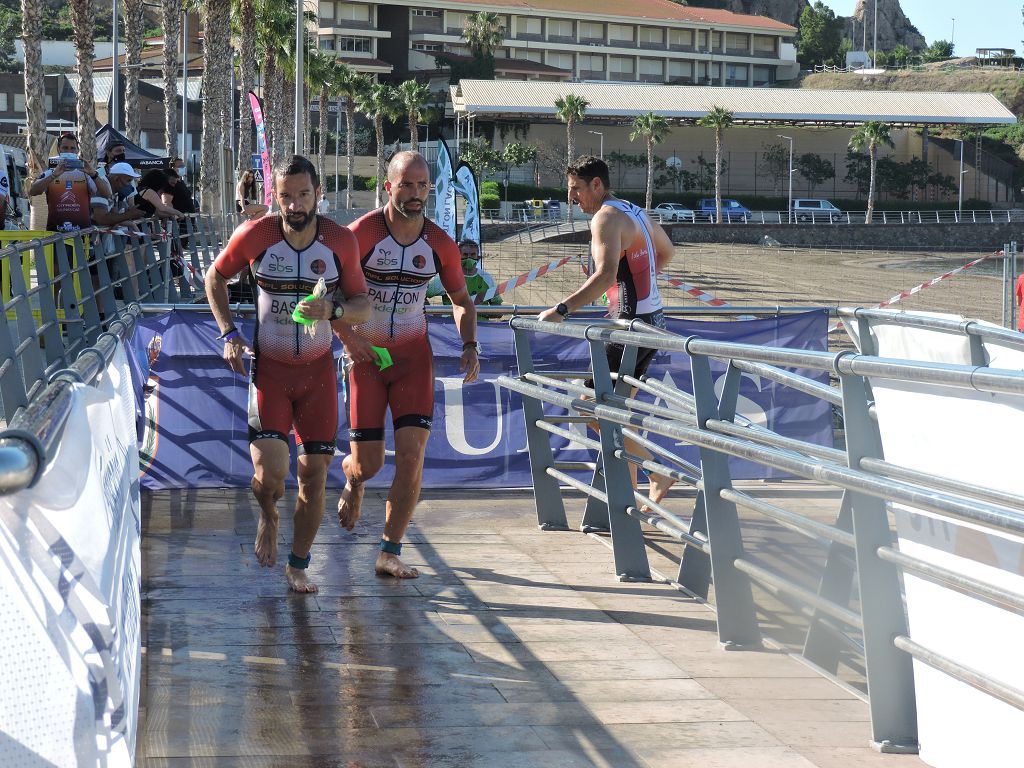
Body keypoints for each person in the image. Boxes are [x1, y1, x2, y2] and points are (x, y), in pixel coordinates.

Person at [205, 155, 371, 593]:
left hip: (317, 376)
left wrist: (332, 309)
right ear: (273, 197)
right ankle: (268, 514)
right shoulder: (256, 235)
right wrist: (227, 332)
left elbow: (362, 304)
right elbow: (214, 277)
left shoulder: (339, 241)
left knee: (314, 476)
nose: (295, 206)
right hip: (271, 373)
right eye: (285, 197)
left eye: (302, 195)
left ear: (318, 194)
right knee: (271, 477)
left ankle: (298, 564)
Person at [334, 150, 480, 579]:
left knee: (414, 457)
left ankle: (389, 550)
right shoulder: (359, 235)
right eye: (407, 186)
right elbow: (326, 298)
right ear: (389, 187)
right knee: (370, 464)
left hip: (414, 357)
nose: (416, 195)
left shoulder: (439, 243)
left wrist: (469, 343)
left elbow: (461, 300)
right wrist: (347, 336)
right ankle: (353, 477)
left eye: (423, 186)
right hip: (366, 357)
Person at [538, 155, 675, 509]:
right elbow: (666, 251)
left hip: (630, 328)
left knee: (589, 408)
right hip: (651, 321)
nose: (572, 199)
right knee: (614, 414)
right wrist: (639, 288)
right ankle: (629, 499)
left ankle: (656, 472)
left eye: (576, 190)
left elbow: (604, 276)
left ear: (596, 184)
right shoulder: (634, 210)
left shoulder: (606, 217)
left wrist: (562, 310)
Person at [28, 132, 112, 231]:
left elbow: (107, 194)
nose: (69, 151)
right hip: (56, 233)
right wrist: (54, 175)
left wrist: (93, 174)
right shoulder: (51, 172)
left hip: (82, 233)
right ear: (59, 149)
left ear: (77, 150)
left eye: (72, 148)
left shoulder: (85, 173)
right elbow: (33, 191)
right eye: (65, 148)